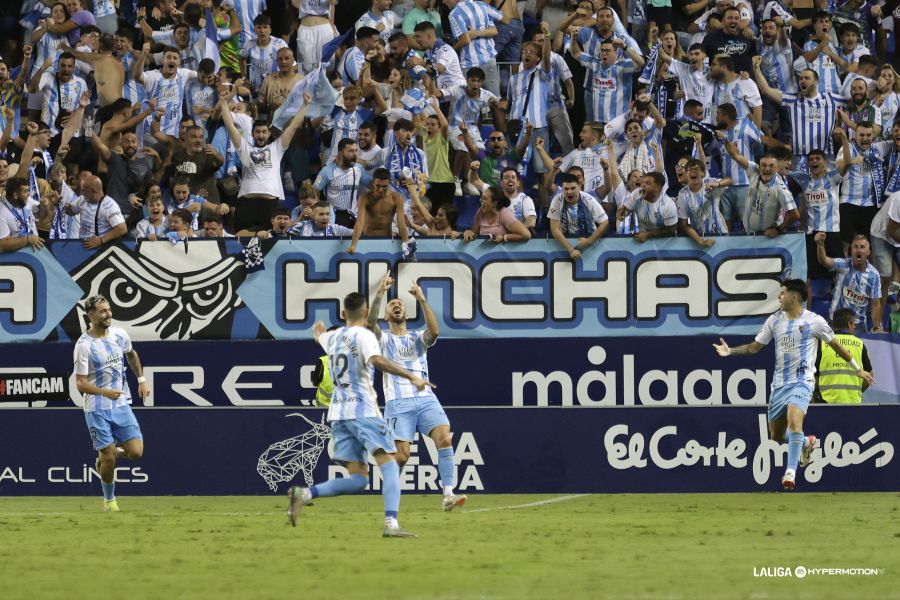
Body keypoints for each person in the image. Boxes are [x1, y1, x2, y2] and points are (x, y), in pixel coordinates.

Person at [287, 292, 432, 537]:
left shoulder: (332, 338)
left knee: (359, 479)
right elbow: (377, 360)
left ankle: (305, 494)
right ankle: (391, 524)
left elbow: (319, 336)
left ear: (343, 314)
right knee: (389, 462)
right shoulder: (365, 336)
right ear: (366, 314)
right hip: (363, 410)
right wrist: (411, 376)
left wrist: (319, 331)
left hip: (338, 415)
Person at [713, 279, 875, 490]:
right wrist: (731, 351)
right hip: (779, 385)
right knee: (777, 436)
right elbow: (754, 348)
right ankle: (807, 443)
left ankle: (790, 473)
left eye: (782, 293)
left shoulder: (815, 321)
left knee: (794, 421)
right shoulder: (774, 321)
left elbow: (836, 346)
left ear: (794, 297)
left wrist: (857, 368)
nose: (779, 297)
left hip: (802, 381)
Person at [367, 273, 467, 510]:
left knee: (444, 438)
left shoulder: (416, 338)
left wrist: (422, 299)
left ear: (406, 314)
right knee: (401, 456)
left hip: (425, 398)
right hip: (398, 402)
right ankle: (390, 490)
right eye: (393, 305)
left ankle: (448, 495)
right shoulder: (383, 340)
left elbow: (434, 332)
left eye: (400, 304)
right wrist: (381, 293)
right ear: (387, 316)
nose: (397, 306)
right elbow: (370, 324)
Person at [74, 294, 149, 511]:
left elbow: (131, 354)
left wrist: (142, 381)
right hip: (96, 408)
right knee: (107, 458)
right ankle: (109, 501)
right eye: (103, 311)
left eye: (109, 309)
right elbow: (80, 384)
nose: (108, 314)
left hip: (121, 404)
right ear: (90, 315)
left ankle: (112, 452)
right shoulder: (84, 346)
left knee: (136, 452)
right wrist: (105, 392)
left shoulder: (119, 335)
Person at [815, 232, 883, 333]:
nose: (859, 250)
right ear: (851, 250)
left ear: (868, 252)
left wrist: (877, 327)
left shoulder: (874, 275)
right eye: (855, 247)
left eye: (862, 247)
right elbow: (824, 260)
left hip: (858, 326)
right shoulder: (843, 265)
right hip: (835, 322)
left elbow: (876, 304)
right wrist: (820, 244)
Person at [348, 168, 412, 255]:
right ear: (373, 183)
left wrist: (406, 243)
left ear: (389, 184)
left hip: (387, 239)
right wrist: (353, 245)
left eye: (384, 186)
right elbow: (359, 222)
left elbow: (401, 224)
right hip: (367, 239)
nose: (381, 190)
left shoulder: (397, 198)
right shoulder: (364, 198)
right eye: (378, 186)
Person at [814, 308, 872, 404]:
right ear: (849, 324)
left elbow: (813, 376)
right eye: (854, 324)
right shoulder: (860, 344)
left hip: (825, 403)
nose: (854, 327)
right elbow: (869, 377)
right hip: (853, 403)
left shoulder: (822, 344)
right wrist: (857, 391)